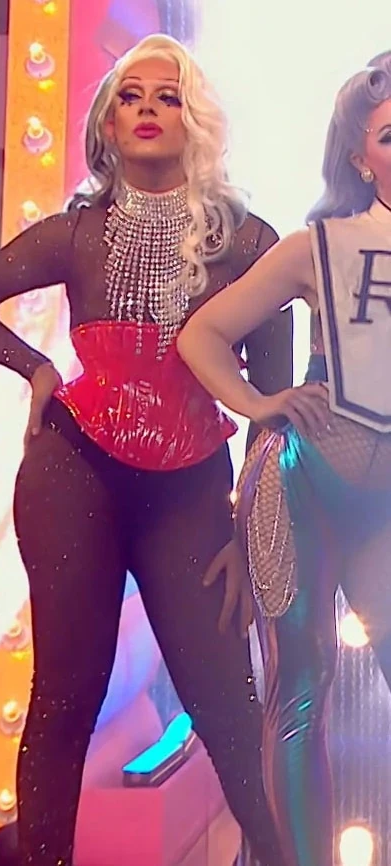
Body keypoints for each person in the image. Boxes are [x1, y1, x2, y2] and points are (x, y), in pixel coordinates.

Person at [0, 34, 292, 866]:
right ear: (106, 123)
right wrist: (36, 367)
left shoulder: (248, 244)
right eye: (131, 97)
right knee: (63, 698)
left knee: (226, 702)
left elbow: (269, 409)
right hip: (72, 473)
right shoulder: (75, 233)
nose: (148, 110)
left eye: (167, 97)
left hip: (190, 488)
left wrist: (250, 527)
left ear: (193, 119)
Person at [177, 53, 391, 866]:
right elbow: (203, 334)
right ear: (358, 156)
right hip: (301, 481)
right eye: (388, 135)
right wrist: (257, 403)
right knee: (300, 691)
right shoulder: (316, 246)